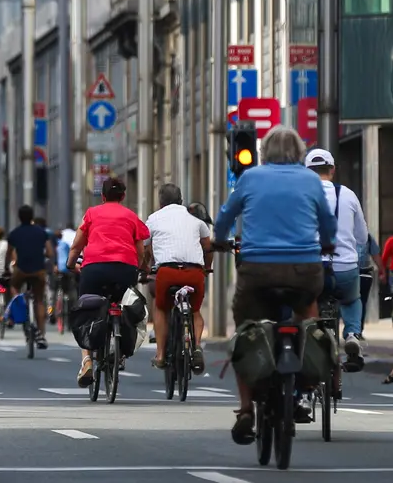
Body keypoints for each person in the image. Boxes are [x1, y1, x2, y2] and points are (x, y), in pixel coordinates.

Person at [213, 125, 335, 444]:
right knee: (308, 315)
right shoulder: (311, 180)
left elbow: (226, 216)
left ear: (263, 152)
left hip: (258, 270)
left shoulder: (250, 177)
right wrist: (328, 243)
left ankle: (245, 411)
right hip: (304, 270)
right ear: (299, 153)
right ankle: (302, 386)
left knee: (245, 329)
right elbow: (327, 223)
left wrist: (218, 240)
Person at [66, 177, 151, 388]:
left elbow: (76, 246)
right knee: (124, 306)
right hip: (125, 270)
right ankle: (119, 349)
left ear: (102, 196)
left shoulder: (92, 214)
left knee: (87, 311)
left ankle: (86, 361)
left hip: (94, 269)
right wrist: (142, 269)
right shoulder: (131, 216)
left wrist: (70, 265)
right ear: (123, 196)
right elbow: (141, 251)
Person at [305, 147, 370, 369]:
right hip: (345, 268)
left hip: (311, 269)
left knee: (304, 300)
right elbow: (362, 237)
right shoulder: (348, 194)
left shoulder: (300, 196)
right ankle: (352, 333)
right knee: (352, 299)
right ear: (332, 170)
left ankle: (307, 338)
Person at [145, 184, 211, 372]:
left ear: (160, 202)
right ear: (181, 200)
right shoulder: (196, 218)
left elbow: (144, 247)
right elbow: (207, 247)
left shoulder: (153, 219)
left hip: (167, 273)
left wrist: (146, 267)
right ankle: (197, 346)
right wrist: (207, 268)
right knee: (196, 311)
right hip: (194, 273)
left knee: (161, 307)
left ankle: (160, 354)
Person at [7, 205, 55, 349]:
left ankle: (19, 304)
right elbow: (50, 252)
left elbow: (8, 253)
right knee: (39, 300)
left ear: (19, 217)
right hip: (38, 271)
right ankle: (41, 334)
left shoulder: (14, 233)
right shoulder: (41, 232)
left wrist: (6, 267)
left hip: (21, 270)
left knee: (13, 286)